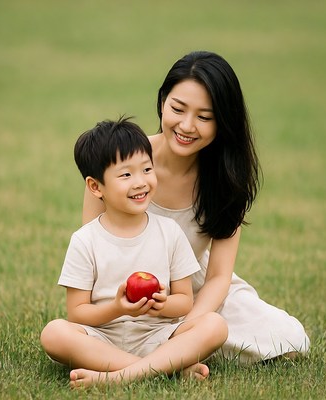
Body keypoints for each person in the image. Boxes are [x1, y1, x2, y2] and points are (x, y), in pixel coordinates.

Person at [79, 51, 310, 382]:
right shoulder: (117, 161)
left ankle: (160, 353)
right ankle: (167, 360)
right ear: (162, 102)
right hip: (121, 289)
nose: (187, 126)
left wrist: (188, 323)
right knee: (75, 332)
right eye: (177, 109)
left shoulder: (226, 180)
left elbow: (218, 277)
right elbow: (93, 246)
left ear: (223, 121)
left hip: (194, 291)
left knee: (289, 339)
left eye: (205, 116)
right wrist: (120, 306)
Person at [40, 117, 228, 387]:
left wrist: (161, 305)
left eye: (147, 169)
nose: (140, 182)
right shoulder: (85, 240)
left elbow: (185, 302)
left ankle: (118, 377)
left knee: (214, 325)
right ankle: (166, 367)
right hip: (103, 337)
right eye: (126, 174)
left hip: (159, 335)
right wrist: (116, 308)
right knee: (54, 333)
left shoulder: (169, 232)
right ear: (95, 187)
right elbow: (77, 313)